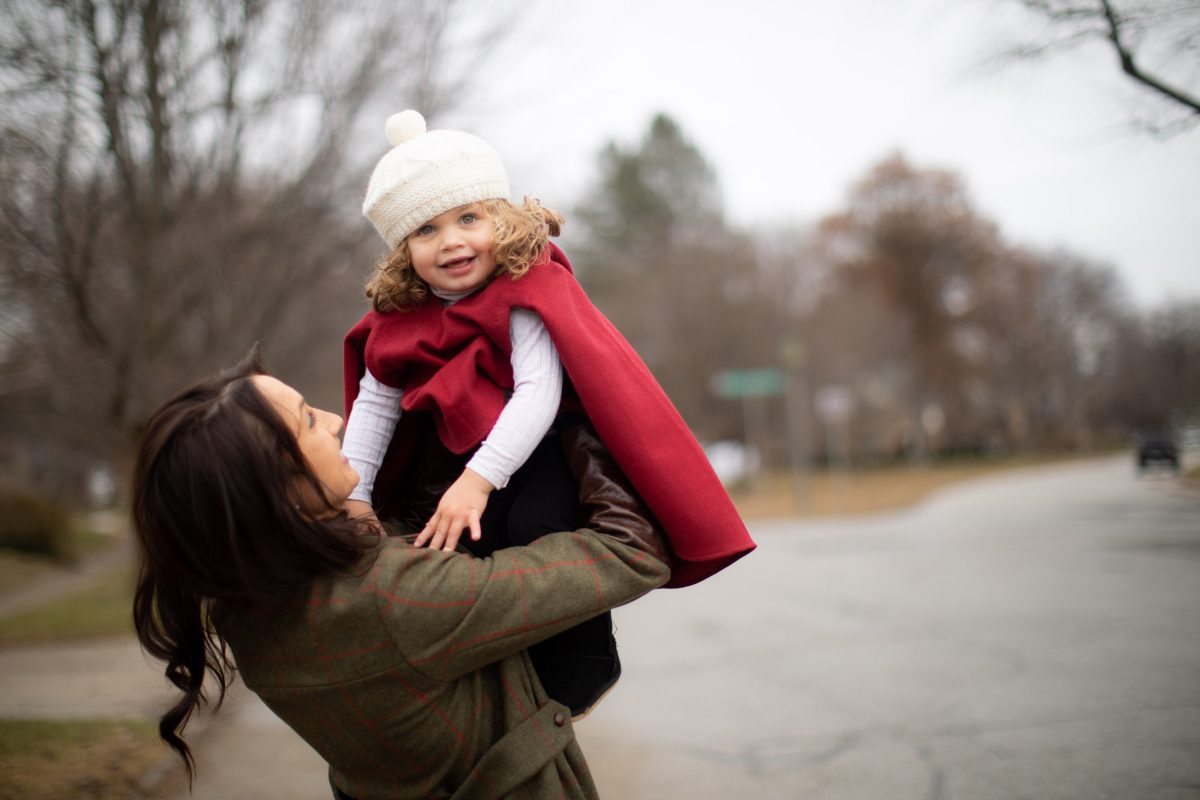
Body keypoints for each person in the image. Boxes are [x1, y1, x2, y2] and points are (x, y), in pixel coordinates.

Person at [342, 110, 756, 714]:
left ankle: (584, 657)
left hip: (536, 452)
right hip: (452, 461)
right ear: (404, 251)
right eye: (426, 231)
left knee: (538, 532)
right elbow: (373, 408)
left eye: (467, 217)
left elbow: (539, 390)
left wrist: (478, 483)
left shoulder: (523, 287)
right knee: (462, 559)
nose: (452, 240)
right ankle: (496, 675)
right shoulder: (395, 322)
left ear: (498, 218)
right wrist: (355, 495)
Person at [131, 350, 673, 800]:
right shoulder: (396, 599)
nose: (337, 419)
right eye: (310, 421)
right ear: (274, 484)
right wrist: (578, 421)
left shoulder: (245, 608)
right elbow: (629, 554)